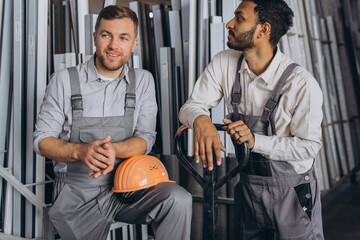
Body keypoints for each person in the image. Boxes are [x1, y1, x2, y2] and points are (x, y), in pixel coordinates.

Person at [34, 5, 191, 240]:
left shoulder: (143, 81)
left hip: (129, 186)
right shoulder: (64, 80)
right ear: (95, 37)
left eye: (123, 37)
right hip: (77, 191)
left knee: (178, 199)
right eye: (106, 35)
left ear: (134, 43)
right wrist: (79, 151)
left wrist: (114, 150)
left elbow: (147, 138)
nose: (113, 46)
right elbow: (41, 141)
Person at [179, 0, 324, 239]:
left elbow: (309, 146)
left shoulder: (301, 84)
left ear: (263, 30)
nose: (229, 23)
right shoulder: (225, 62)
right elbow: (190, 106)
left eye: (239, 18)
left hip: (293, 194)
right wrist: (200, 120)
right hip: (248, 188)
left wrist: (255, 141)